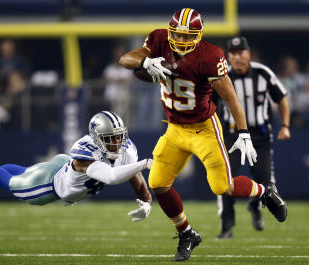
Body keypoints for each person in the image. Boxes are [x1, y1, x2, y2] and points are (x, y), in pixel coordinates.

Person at [119, 8, 287, 261]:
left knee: (223, 187)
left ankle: (265, 192)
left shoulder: (210, 55)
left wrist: (243, 133)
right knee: (157, 184)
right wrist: (145, 61)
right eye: (178, 35)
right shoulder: (159, 40)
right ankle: (187, 233)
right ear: (170, 32)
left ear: (199, 36)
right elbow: (126, 60)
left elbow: (230, 97)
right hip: (174, 129)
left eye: (189, 36)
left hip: (204, 129)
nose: (183, 41)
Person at [0, 111, 152, 222]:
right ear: (96, 138)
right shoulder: (86, 151)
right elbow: (111, 176)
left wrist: (146, 203)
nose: (117, 142)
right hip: (50, 185)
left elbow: (135, 178)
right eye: (111, 138)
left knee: (24, 173)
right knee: (12, 182)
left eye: (120, 136)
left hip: (61, 167)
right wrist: (143, 163)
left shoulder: (126, 149)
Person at [214, 37, 291, 239]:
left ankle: (256, 205)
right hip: (232, 134)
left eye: (241, 52)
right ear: (228, 56)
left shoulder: (263, 73)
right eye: (233, 53)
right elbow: (209, 105)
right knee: (225, 181)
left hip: (260, 135)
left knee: (266, 180)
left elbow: (281, 98)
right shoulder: (222, 76)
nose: (237, 57)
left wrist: (285, 125)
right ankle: (226, 226)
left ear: (249, 54)